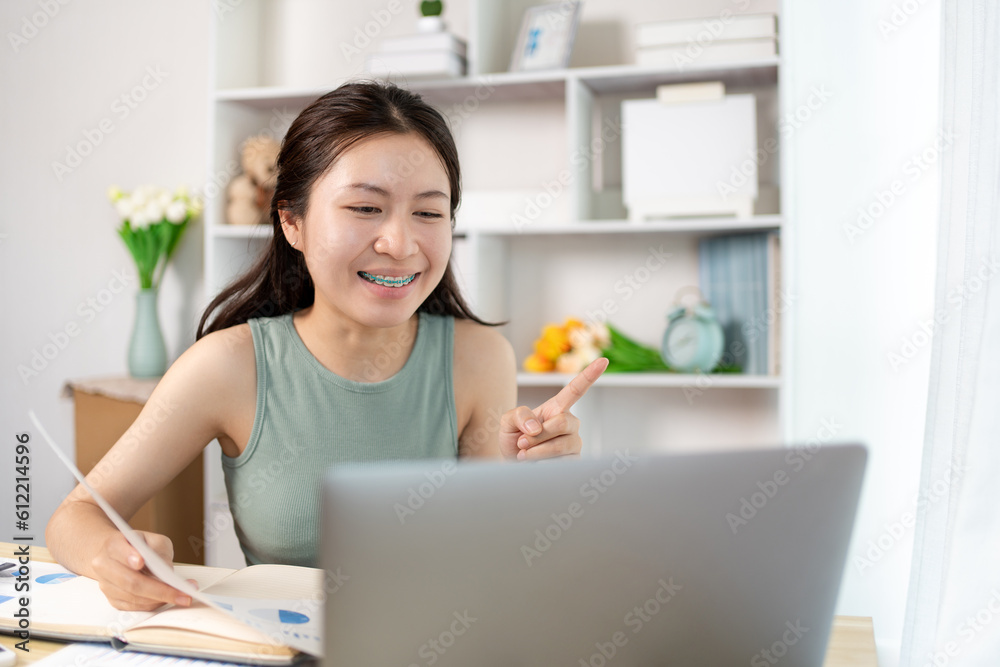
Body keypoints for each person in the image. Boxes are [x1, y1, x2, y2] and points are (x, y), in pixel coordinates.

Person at [45, 80, 607, 612]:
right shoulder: (227, 366)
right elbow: (77, 515)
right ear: (292, 222)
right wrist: (111, 558)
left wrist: (525, 484)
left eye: (429, 213)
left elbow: (486, 566)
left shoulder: (479, 357)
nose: (400, 242)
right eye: (365, 208)